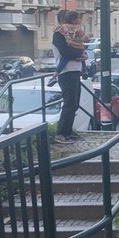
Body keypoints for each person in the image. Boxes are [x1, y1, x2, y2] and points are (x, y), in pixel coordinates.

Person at [52, 10, 86, 144]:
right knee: (69, 103)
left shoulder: (71, 34)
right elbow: (66, 52)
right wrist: (79, 54)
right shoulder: (58, 35)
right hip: (66, 73)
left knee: (74, 103)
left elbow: (79, 49)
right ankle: (61, 133)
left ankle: (68, 132)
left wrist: (82, 55)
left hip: (75, 71)